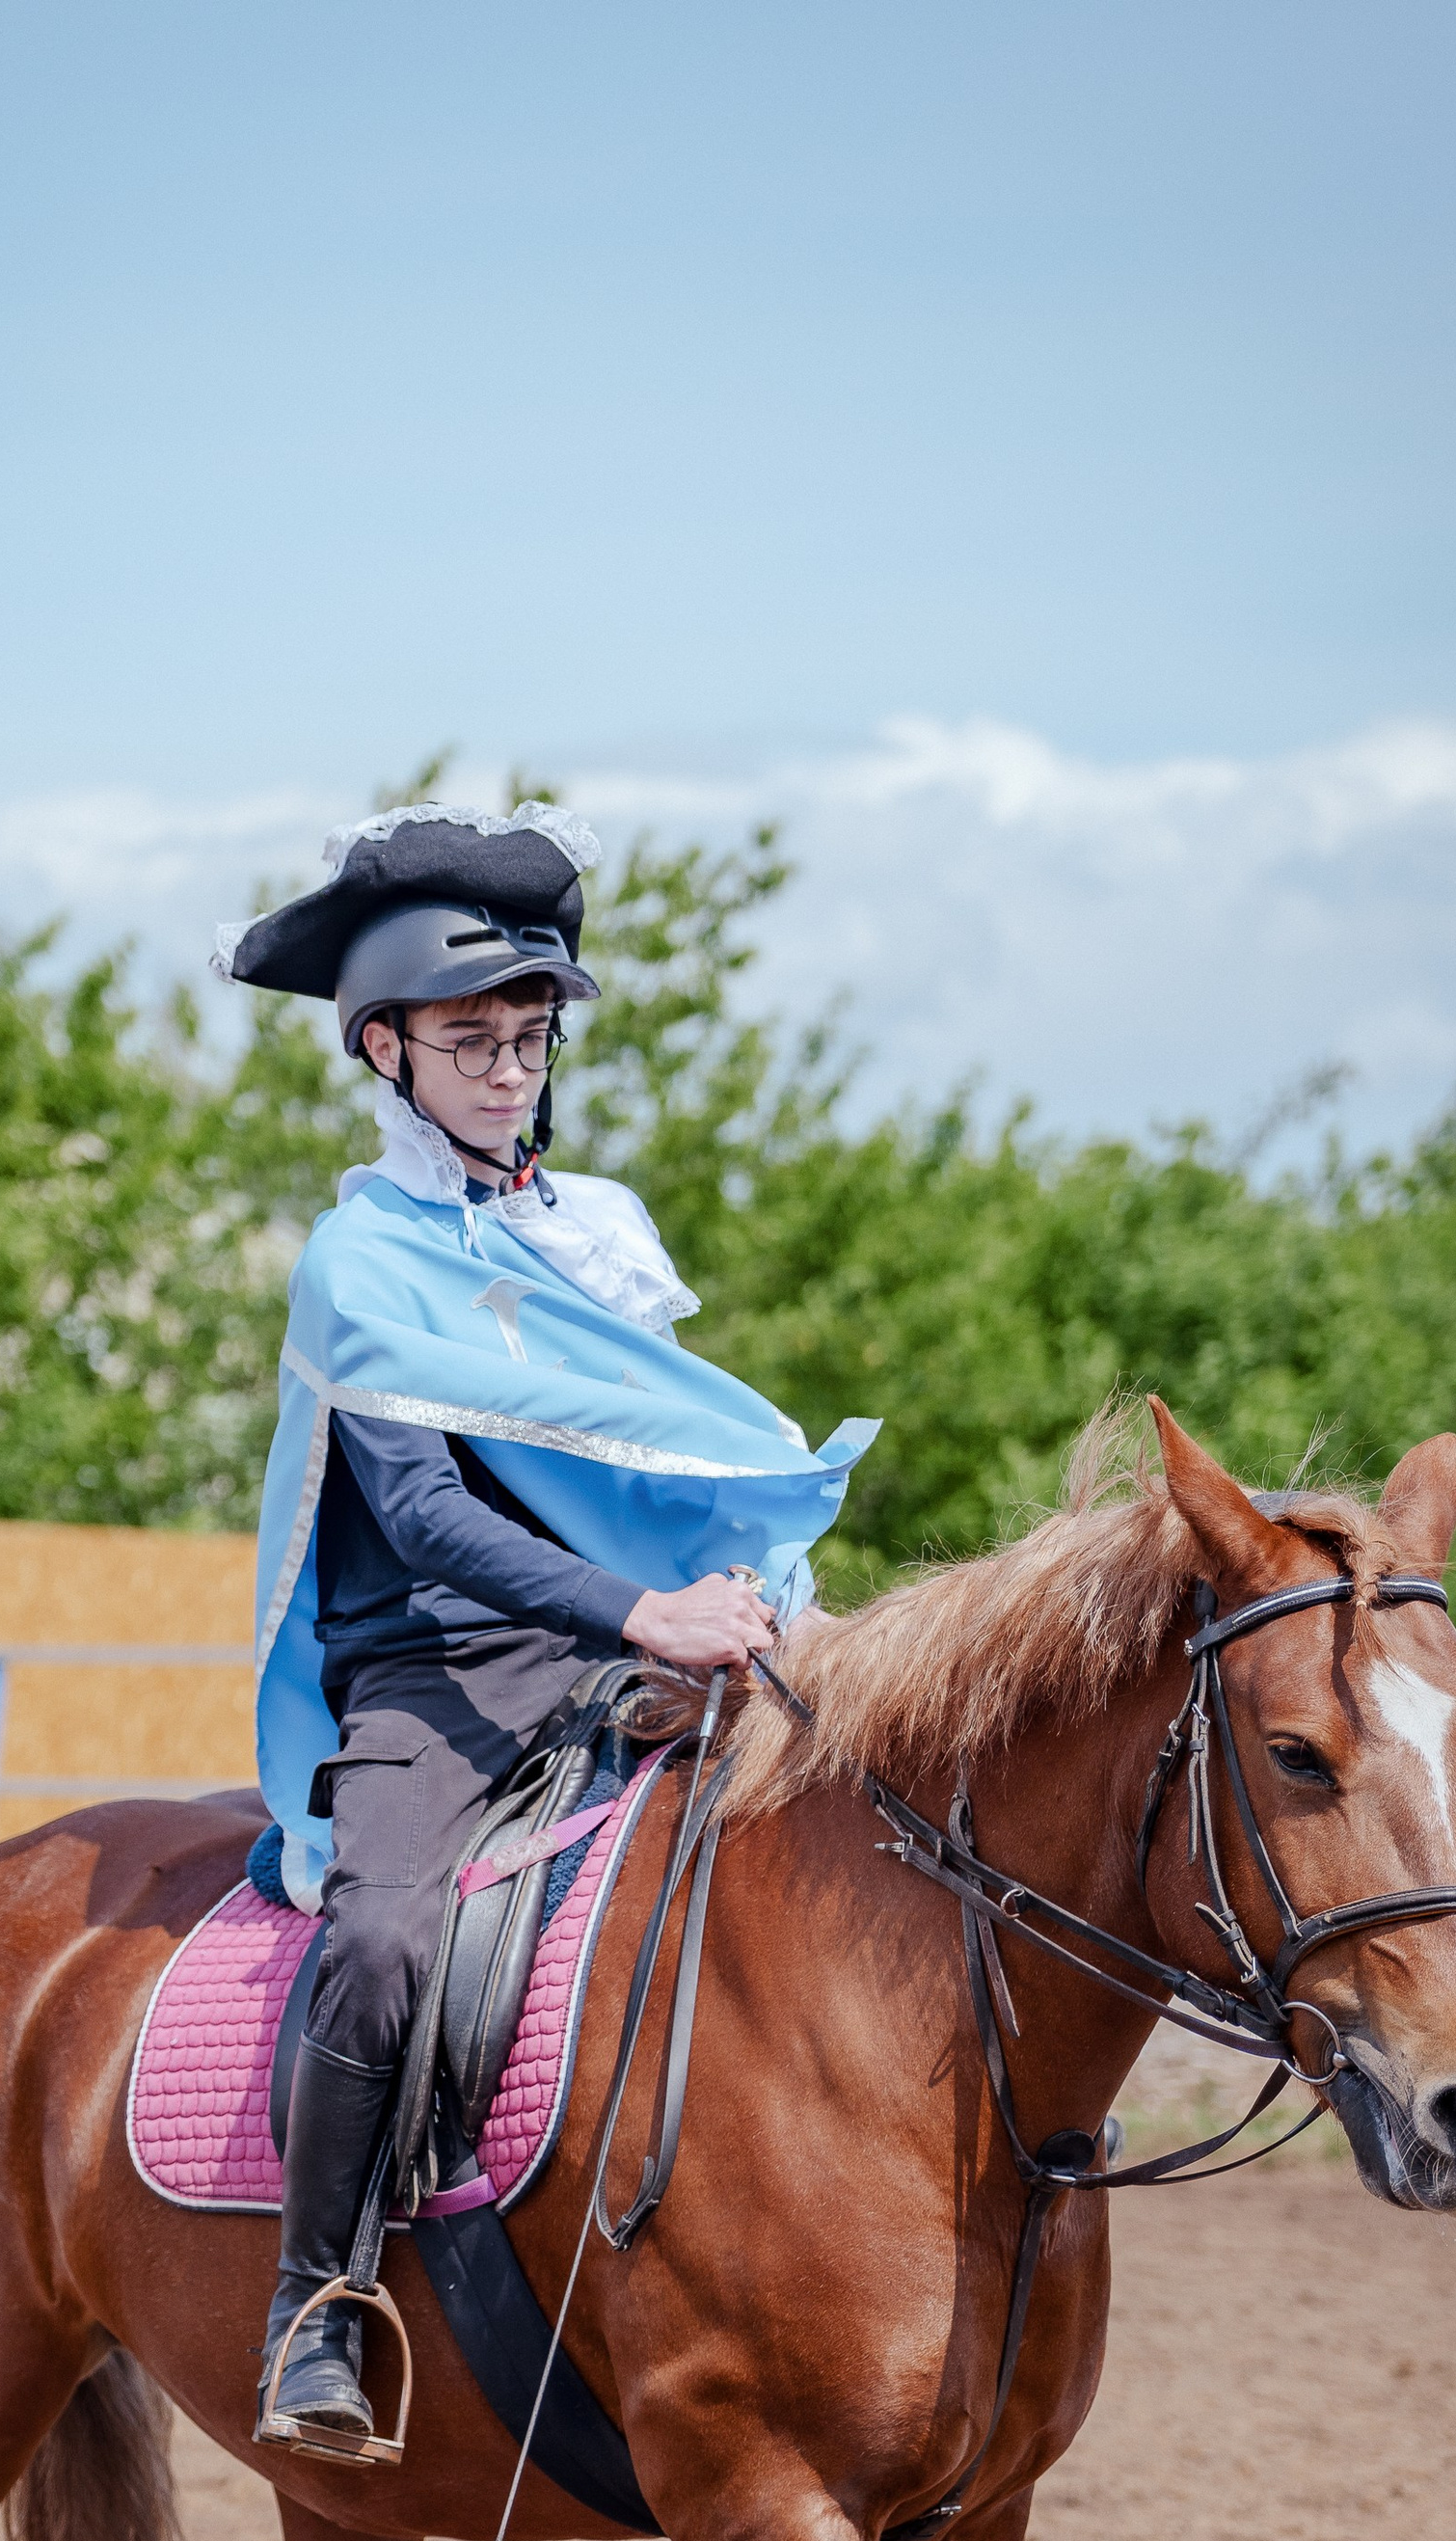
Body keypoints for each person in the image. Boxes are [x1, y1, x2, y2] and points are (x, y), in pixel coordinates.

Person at [220, 803, 875, 2449]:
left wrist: (745, 1600)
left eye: (530, 1036)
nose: (509, 1069)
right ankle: (318, 2306)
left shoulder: (599, 1232)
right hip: (433, 1671)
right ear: (386, 1051)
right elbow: (433, 1517)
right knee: (379, 1942)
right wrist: (646, 1610)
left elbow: (647, 1464)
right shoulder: (356, 1259)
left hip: (615, 1648)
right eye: (470, 1041)